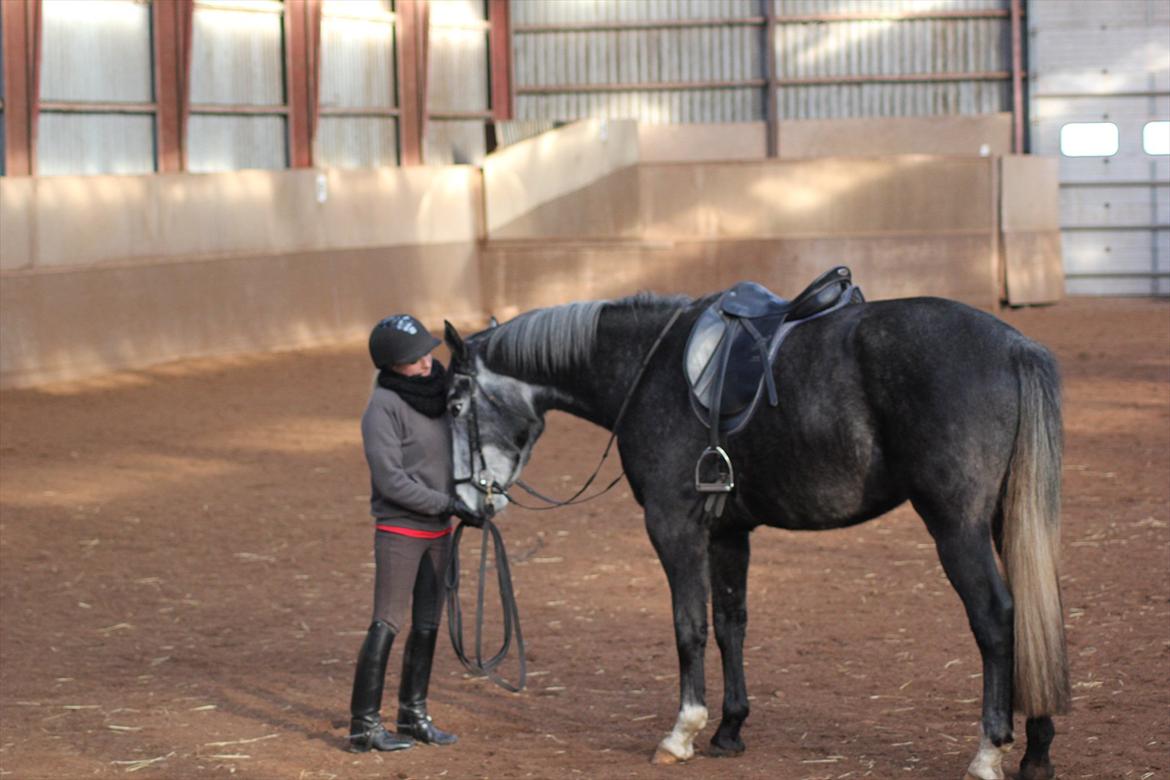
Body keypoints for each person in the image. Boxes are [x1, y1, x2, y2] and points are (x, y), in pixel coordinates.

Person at [347, 313, 488, 753]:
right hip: (401, 532)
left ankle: (413, 714)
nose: (427, 362)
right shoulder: (382, 410)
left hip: (439, 534)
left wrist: (473, 494)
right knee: (387, 622)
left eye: (427, 351)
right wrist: (445, 503)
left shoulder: (444, 394)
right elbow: (391, 481)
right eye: (414, 359)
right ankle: (364, 724)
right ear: (392, 367)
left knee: (428, 625)